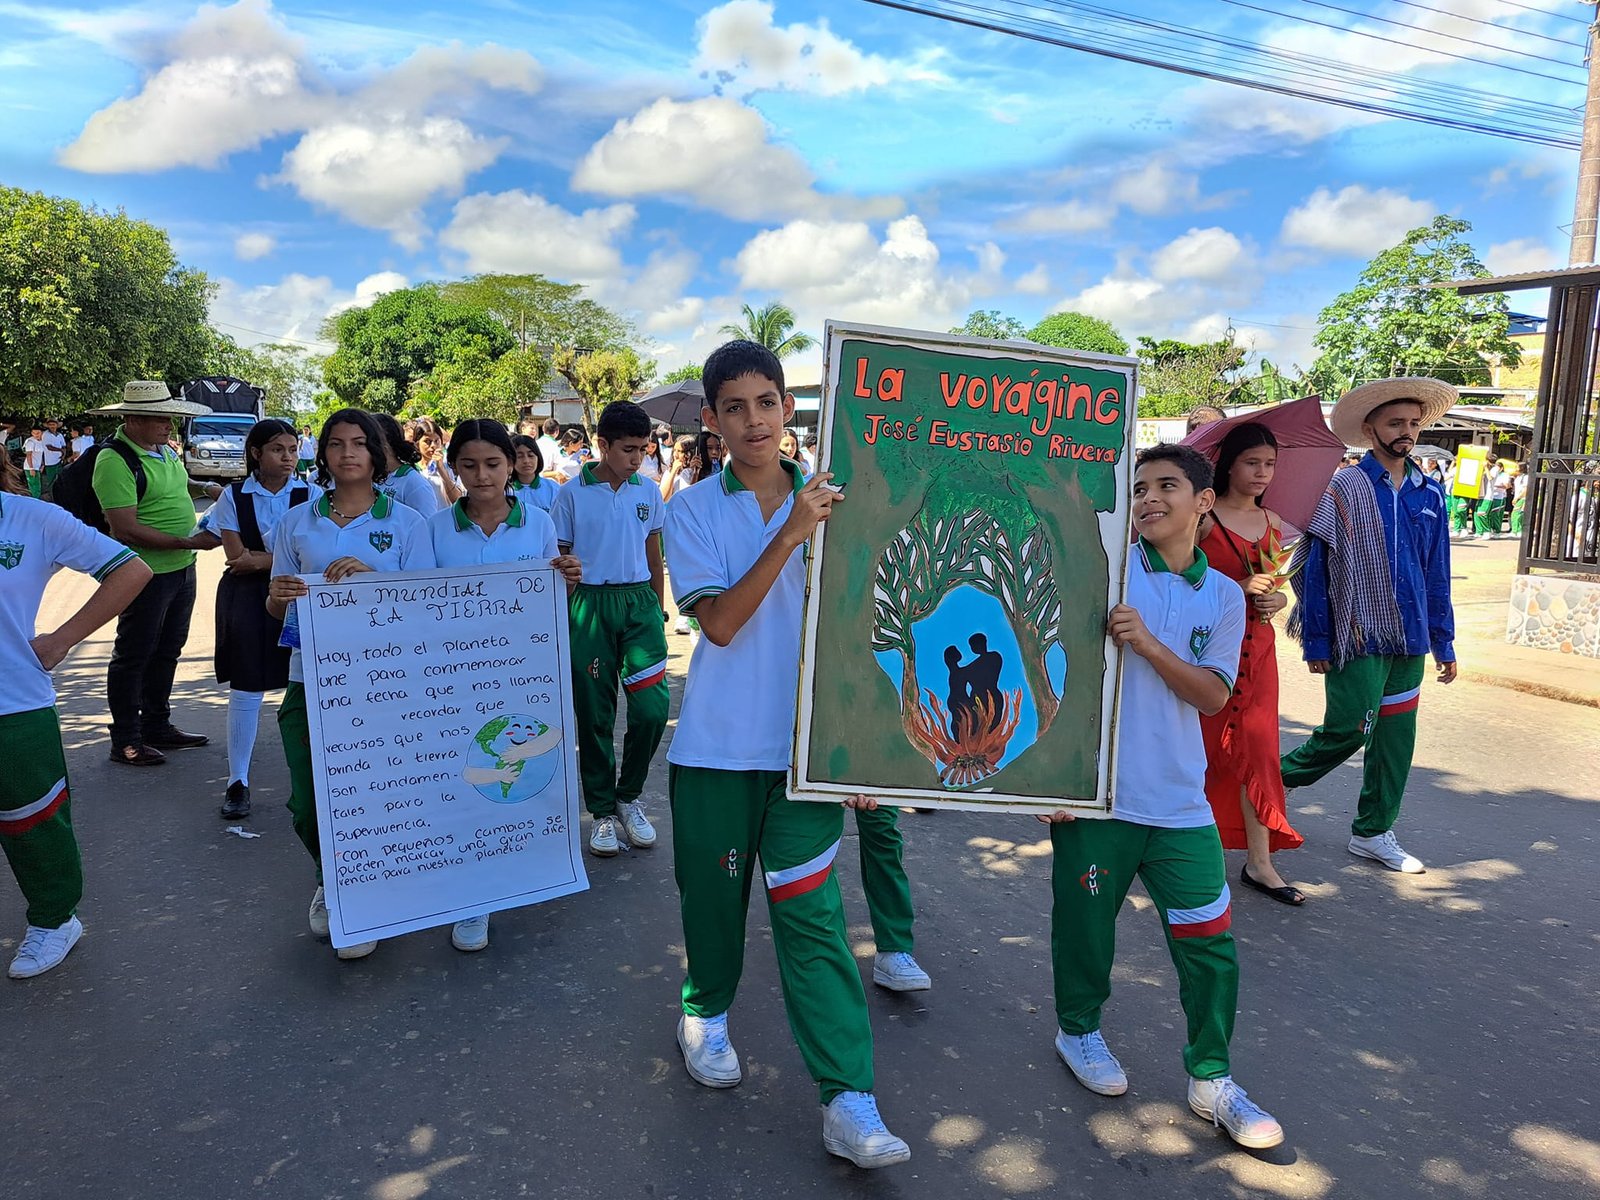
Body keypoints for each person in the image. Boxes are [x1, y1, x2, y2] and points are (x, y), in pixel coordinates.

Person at [663, 340, 912, 1168]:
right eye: (733, 408)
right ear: (712, 420)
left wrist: (871, 754)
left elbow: (867, 631)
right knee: (715, 905)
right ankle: (706, 1010)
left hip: (807, 759)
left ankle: (850, 1100)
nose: (753, 420)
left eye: (766, 402)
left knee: (812, 922)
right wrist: (790, 533)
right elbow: (723, 625)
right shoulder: (693, 508)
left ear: (788, 409)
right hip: (717, 751)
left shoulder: (842, 502)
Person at [1041, 443, 1283, 1151]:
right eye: (1140, 487)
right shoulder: (1106, 571)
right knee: (1085, 933)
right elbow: (1059, 669)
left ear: (1203, 501)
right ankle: (1078, 1032)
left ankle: (1212, 1079)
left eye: (1167, 485)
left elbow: (1213, 695)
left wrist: (1146, 644)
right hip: (1099, 800)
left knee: (1210, 946)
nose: (1149, 497)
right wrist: (1050, 780)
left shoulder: (1224, 596)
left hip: (1180, 804)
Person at [268, 409, 434, 960]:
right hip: (309, 678)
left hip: (384, 683)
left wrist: (372, 581)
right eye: (336, 444)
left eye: (359, 444)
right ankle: (329, 875)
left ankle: (364, 894)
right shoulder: (296, 523)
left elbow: (426, 609)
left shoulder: (409, 523)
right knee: (309, 801)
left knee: (377, 795)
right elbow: (275, 606)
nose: (347, 454)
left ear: (378, 453)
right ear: (324, 455)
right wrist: (282, 596)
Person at [1282, 379, 1458, 874]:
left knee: (1396, 738)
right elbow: (1311, 568)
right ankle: (1269, 783)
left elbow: (1436, 570)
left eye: (1413, 423)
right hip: (1356, 632)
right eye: (1395, 423)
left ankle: (1374, 831)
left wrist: (1444, 640)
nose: (1406, 432)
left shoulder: (1429, 492)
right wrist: (1316, 636)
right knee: (1350, 729)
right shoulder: (1342, 489)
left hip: (1412, 636)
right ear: (1369, 429)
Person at [424, 419, 583, 952]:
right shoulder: (435, 528)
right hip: (454, 676)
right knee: (467, 777)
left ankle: (514, 872)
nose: (481, 475)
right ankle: (473, 899)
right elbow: (417, 604)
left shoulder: (537, 522)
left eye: (492, 463)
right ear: (455, 467)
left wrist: (565, 579)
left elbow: (547, 599)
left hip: (520, 672)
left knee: (516, 773)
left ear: (512, 464)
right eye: (468, 465)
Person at [0, 456, 152, 979]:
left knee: (31, 821)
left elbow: (131, 569)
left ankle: (53, 921)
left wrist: (62, 639)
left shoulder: (32, 519)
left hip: (14, 702)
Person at [550, 400, 669, 858]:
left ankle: (628, 795)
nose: (637, 457)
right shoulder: (572, 494)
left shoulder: (648, 492)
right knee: (595, 714)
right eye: (627, 449)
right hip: (590, 606)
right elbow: (558, 558)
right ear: (602, 445)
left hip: (638, 605)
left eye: (643, 448)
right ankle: (601, 812)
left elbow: (654, 554)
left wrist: (658, 609)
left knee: (652, 710)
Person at [1196, 424, 1304, 905]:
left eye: (1270, 464)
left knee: (1258, 751)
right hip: (1205, 651)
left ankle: (1260, 863)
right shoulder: (1201, 517)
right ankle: (1186, 856)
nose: (1262, 473)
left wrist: (1274, 600)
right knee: (1199, 752)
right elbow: (1178, 586)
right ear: (1229, 464)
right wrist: (1236, 591)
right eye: (1252, 462)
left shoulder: (1275, 524)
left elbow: (1278, 589)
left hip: (1257, 653)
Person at [91, 381, 224, 767]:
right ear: (132, 419)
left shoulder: (162, 451)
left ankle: (157, 725)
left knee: (167, 650)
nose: (169, 425)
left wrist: (205, 485)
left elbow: (178, 484)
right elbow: (125, 529)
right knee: (134, 654)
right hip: (144, 575)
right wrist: (188, 543)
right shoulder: (114, 461)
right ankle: (126, 740)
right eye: (159, 418)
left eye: (170, 417)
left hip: (181, 572)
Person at [211, 419, 314, 820]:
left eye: (292, 449)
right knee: (247, 684)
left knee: (310, 683)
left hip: (299, 594)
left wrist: (263, 559)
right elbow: (236, 558)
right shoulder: (233, 496)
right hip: (249, 598)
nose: (288, 457)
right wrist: (277, 559)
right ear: (256, 453)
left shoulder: (312, 494)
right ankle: (238, 781)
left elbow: (267, 559)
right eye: (277, 449)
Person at [369, 413, 440, 515]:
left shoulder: (414, 483)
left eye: (363, 443)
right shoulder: (369, 478)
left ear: (384, 443)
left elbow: (427, 527)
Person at [509, 433, 558, 513]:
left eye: (531, 455)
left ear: (538, 457)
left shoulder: (553, 489)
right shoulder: (505, 491)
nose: (526, 461)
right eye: (520, 456)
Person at [39, 418, 66, 495]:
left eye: (53, 424)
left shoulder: (60, 435)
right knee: (51, 480)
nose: (52, 426)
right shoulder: (45, 434)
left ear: (57, 426)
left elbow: (64, 446)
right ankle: (51, 494)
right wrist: (60, 450)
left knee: (60, 478)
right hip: (50, 461)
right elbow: (49, 447)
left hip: (59, 460)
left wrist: (63, 454)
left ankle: (60, 493)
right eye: (50, 425)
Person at [22, 424, 46, 498]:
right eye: (34, 433)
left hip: (37, 466)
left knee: (37, 485)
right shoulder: (30, 442)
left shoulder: (41, 441)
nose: (36, 435)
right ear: (32, 433)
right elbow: (29, 455)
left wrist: (42, 465)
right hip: (30, 467)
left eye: (38, 433)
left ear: (41, 433)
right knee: (34, 487)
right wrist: (31, 468)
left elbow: (40, 454)